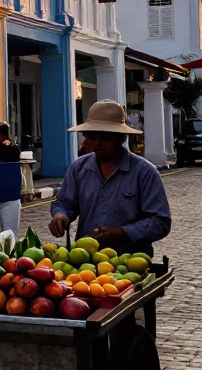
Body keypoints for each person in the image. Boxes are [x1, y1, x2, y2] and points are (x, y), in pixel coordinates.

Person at [49, 100, 171, 255]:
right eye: (91, 137)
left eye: (105, 138)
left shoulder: (145, 172)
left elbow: (160, 222)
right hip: (85, 262)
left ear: (122, 138)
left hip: (129, 262)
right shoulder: (78, 168)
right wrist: (61, 215)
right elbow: (64, 202)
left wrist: (122, 233)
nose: (97, 143)